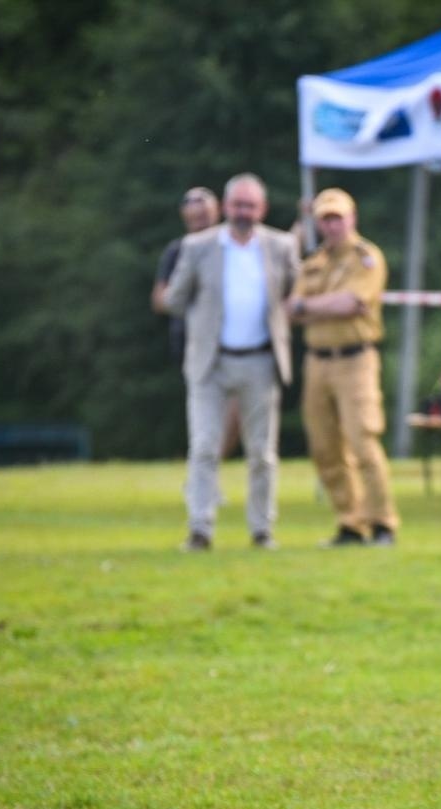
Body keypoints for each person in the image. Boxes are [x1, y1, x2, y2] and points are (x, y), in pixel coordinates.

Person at [163, 173, 300, 550]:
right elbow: (175, 299)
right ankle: (200, 529)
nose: (244, 212)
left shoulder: (280, 246)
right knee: (205, 446)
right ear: (225, 207)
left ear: (263, 209)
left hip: (260, 361)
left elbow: (293, 288)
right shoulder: (198, 247)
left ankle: (262, 530)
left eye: (251, 206)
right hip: (211, 362)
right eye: (238, 205)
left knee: (262, 453)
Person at [286, 187, 400, 547]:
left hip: (356, 360)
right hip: (317, 362)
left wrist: (308, 306)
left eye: (338, 217)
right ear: (318, 223)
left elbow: (352, 302)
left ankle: (383, 523)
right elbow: (292, 308)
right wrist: (318, 305)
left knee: (363, 441)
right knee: (325, 447)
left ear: (352, 218)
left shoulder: (367, 257)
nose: (332, 225)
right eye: (325, 219)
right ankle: (351, 523)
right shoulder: (314, 262)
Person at [153, 187, 240, 461]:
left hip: (234, 339)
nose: (197, 207)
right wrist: (189, 296)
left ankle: (206, 471)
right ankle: (203, 475)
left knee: (235, 413)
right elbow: (160, 299)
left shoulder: (234, 246)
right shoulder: (177, 250)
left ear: (219, 210)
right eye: (190, 202)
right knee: (207, 415)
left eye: (203, 201)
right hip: (193, 341)